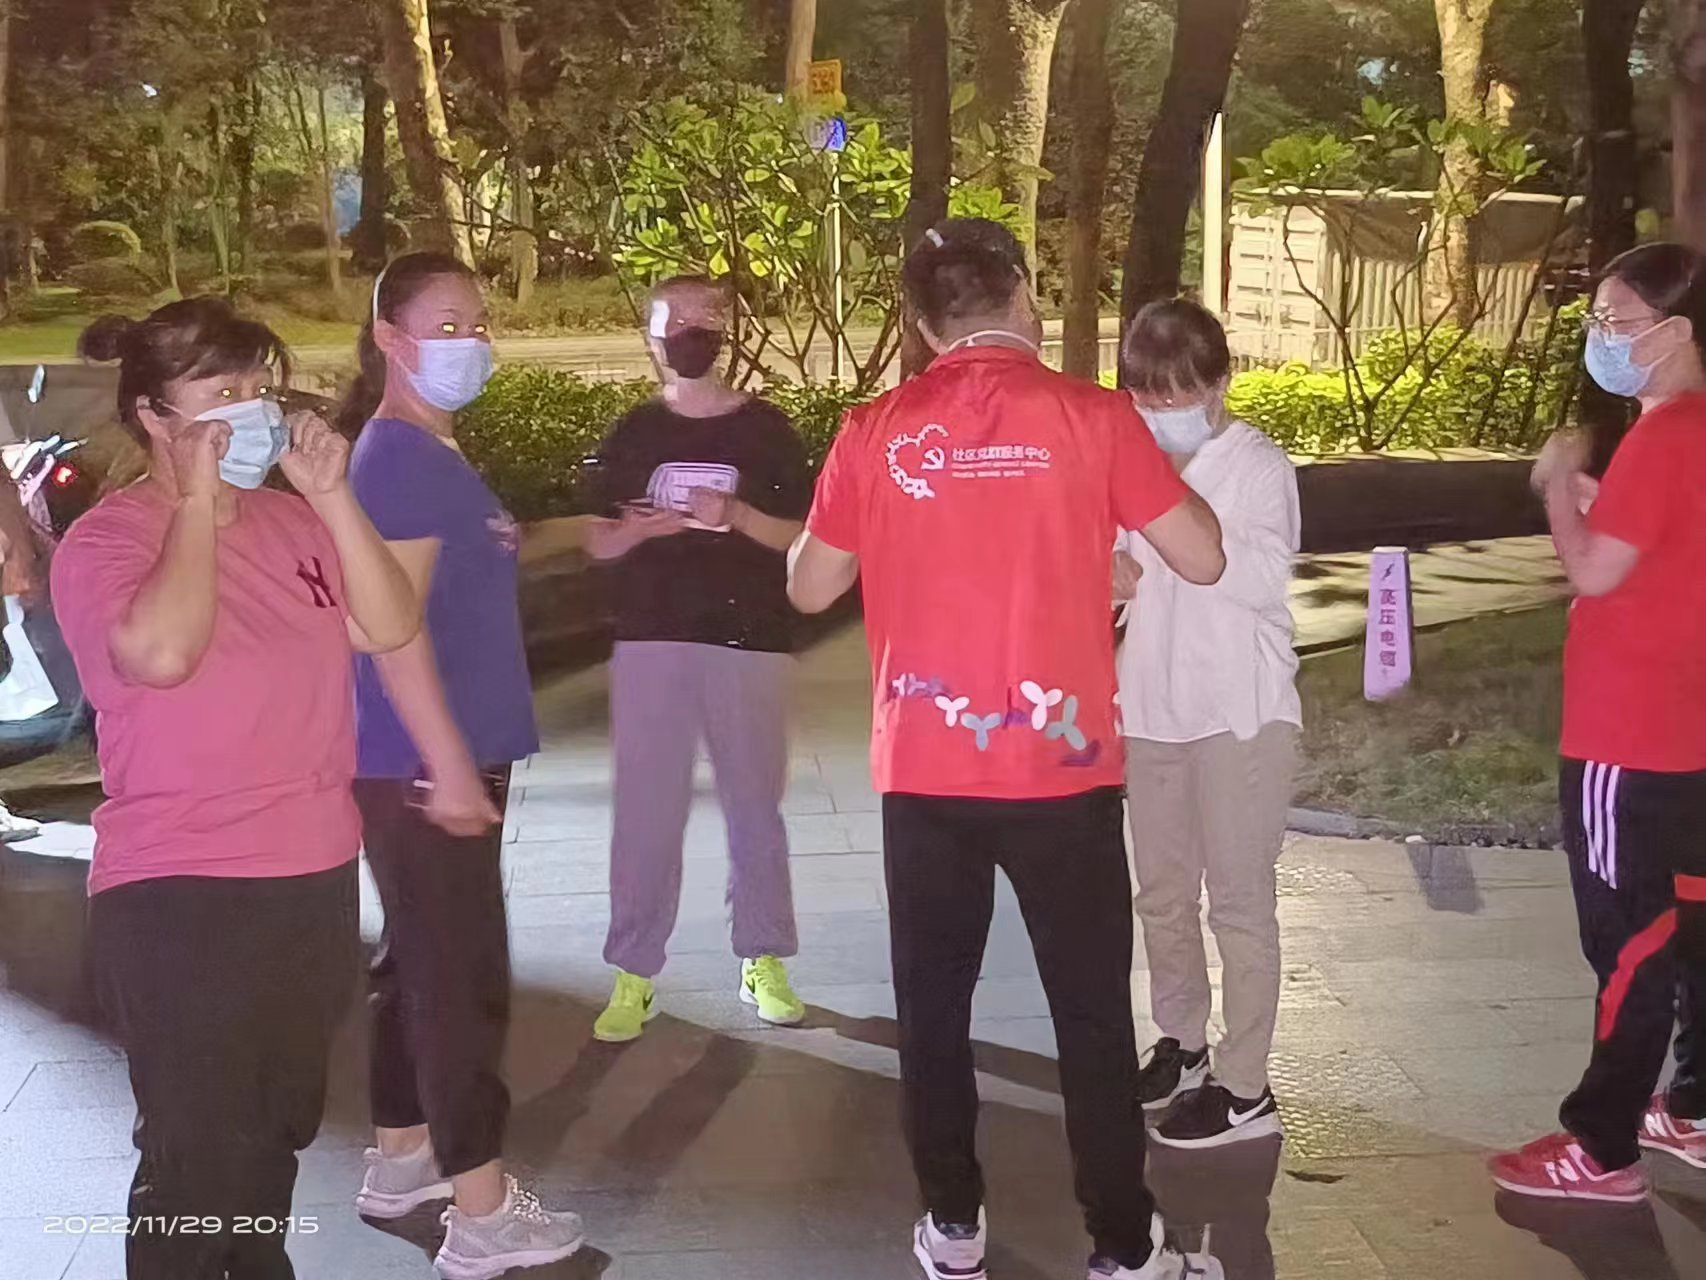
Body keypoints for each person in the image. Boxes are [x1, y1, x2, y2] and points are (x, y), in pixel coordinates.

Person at [790, 218, 1229, 1280]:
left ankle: (952, 1225)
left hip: (925, 773)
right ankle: (1124, 1244)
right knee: (1089, 1013)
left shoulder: (875, 429)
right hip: (1061, 774)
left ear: (919, 320)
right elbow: (1203, 557)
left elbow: (808, 585)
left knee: (933, 1011)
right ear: (1024, 296)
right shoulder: (1092, 417)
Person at [53, 298, 420, 1280]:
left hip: (310, 874)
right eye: (222, 390)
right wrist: (196, 506)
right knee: (195, 1156)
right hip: (180, 890)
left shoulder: (293, 520)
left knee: (273, 1133)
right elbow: (162, 654)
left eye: (259, 385)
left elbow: (388, 624)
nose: (252, 407)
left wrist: (332, 496)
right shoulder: (110, 541)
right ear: (153, 415)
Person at [339, 252, 586, 1277]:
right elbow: (386, 629)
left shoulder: (430, 451)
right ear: (389, 339)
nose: (471, 342)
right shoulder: (398, 459)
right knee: (458, 977)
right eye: (446, 326)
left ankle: (403, 1157)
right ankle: (482, 1214)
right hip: (422, 761)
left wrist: (580, 535)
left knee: (417, 960)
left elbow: (471, 559)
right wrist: (444, 763)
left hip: (434, 756)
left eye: (478, 324)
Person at [1490, 241, 1706, 1202]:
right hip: (1687, 729)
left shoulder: (1662, 438)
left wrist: (1556, 487)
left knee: (1630, 942)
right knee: (1691, 927)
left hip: (1627, 738)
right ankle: (1692, 1106)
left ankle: (1602, 1146)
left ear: (1677, 331)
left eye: (1618, 322)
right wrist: (1596, 499)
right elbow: (1650, 539)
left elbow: (1593, 568)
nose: (1603, 338)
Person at [583, 275, 812, 1042]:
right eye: (673, 319)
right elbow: (598, 538)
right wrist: (640, 530)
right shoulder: (633, 433)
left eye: (705, 316)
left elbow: (803, 536)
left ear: (727, 328)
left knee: (754, 809)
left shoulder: (767, 431)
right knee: (647, 813)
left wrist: (737, 514)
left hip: (750, 641)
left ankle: (763, 957)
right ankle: (634, 970)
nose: (689, 330)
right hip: (651, 640)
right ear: (650, 336)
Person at [1114, 299, 1301, 1150]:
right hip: (1151, 706)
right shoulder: (1129, 462)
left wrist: (1172, 503)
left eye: (1177, 396)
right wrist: (1111, 568)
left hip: (1240, 713)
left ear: (1220, 384)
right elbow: (1119, 563)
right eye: (1145, 398)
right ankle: (1182, 1041)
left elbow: (1256, 579)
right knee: (1161, 895)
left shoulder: (1257, 464)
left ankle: (1245, 1084)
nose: (1161, 413)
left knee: (1238, 903)